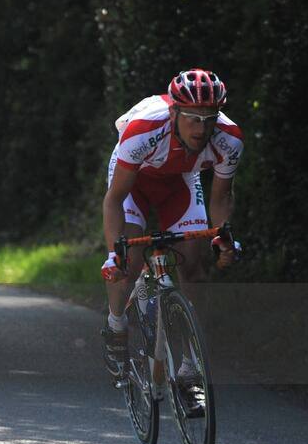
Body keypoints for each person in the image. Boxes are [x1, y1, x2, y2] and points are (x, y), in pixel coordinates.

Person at [101, 69, 243, 402]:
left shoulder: (229, 137)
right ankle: (116, 324)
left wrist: (222, 237)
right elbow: (114, 198)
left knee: (194, 265)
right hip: (134, 184)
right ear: (173, 112)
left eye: (209, 118)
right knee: (129, 260)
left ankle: (190, 369)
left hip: (180, 182)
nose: (202, 128)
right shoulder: (143, 130)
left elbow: (221, 197)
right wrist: (113, 253)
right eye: (193, 118)